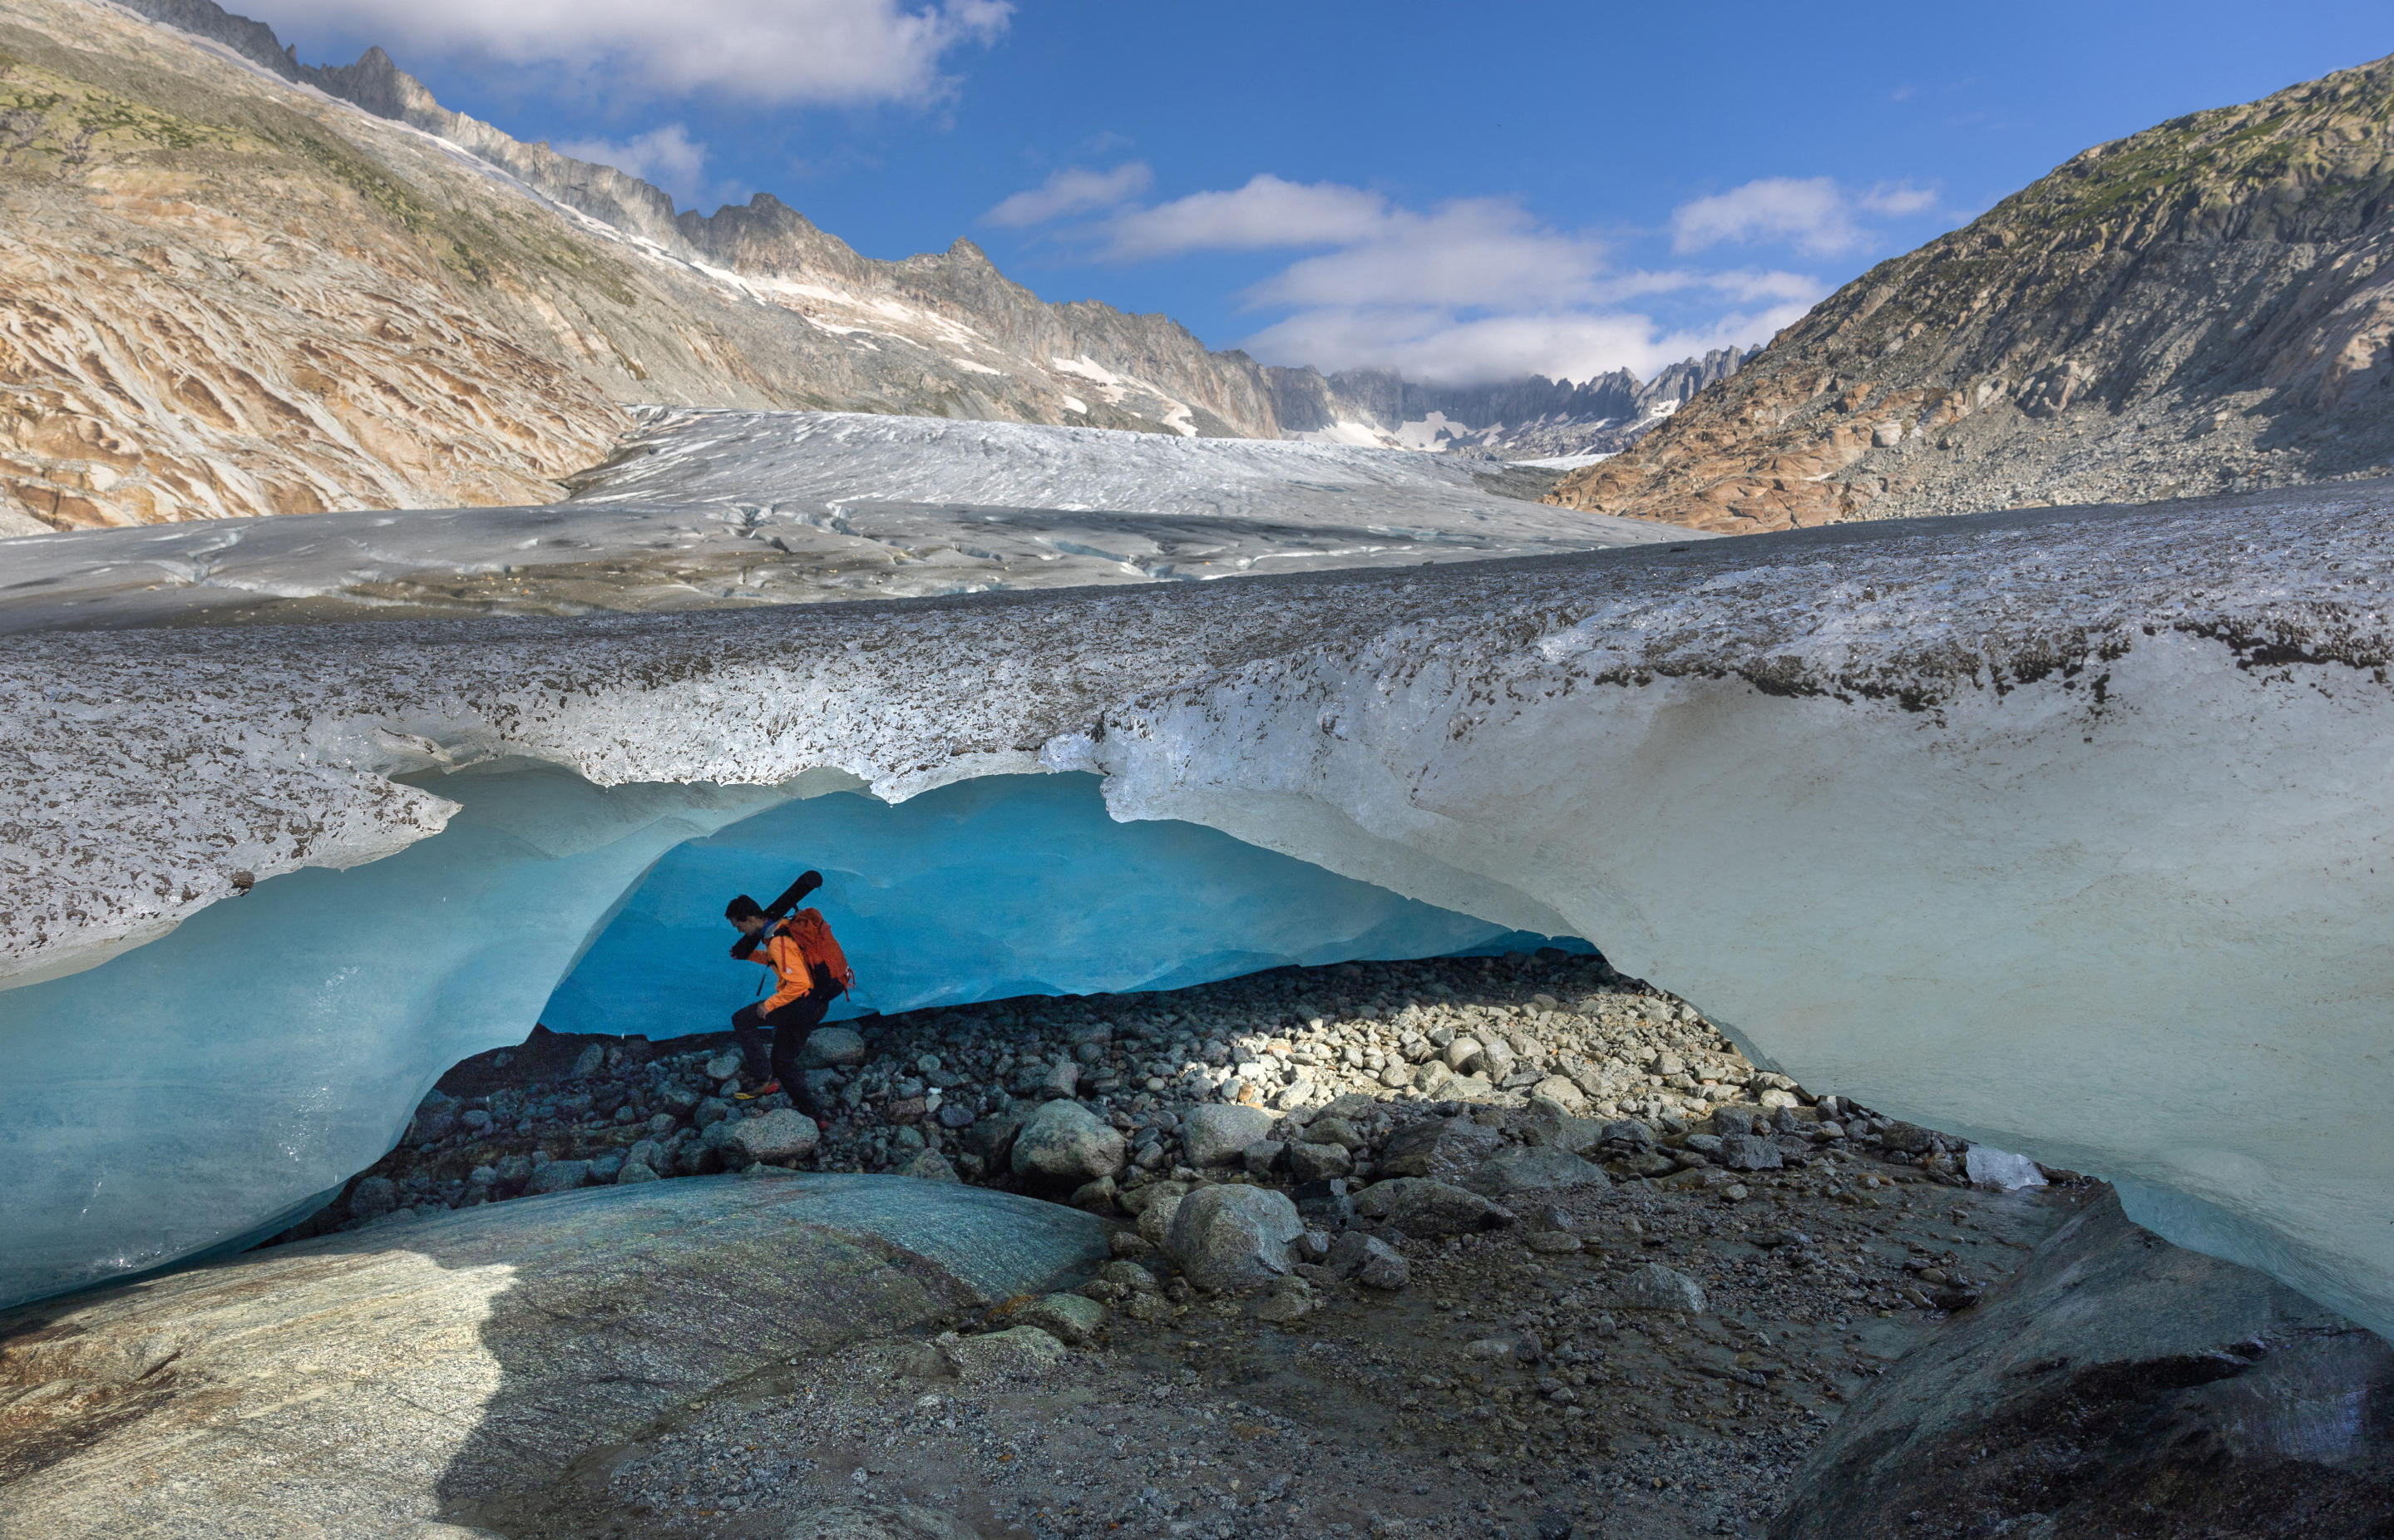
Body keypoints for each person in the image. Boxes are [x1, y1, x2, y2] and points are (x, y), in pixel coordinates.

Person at [724, 874, 855, 1113]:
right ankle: (815, 1116)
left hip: (800, 1005)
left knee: (741, 1020)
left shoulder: (777, 942)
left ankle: (763, 1078)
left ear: (751, 918)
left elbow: (798, 983)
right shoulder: (784, 927)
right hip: (817, 1004)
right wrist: (751, 955)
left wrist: (769, 1005)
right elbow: (788, 962)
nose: (739, 930)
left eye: (739, 925)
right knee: (783, 1062)